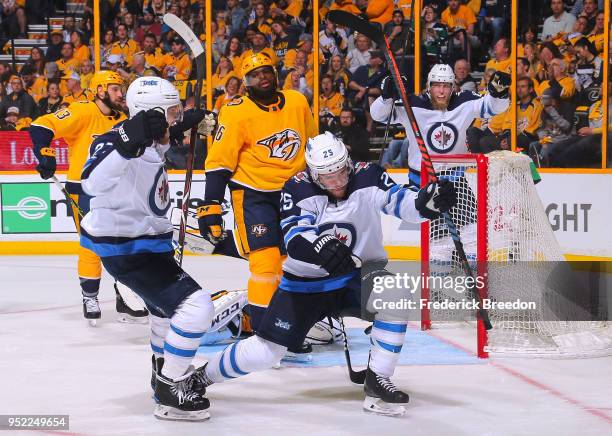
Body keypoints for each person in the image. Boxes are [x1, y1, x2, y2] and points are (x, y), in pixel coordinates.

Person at [193, 131, 457, 416]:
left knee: (394, 297)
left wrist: (427, 202)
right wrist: (320, 246)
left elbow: (401, 203)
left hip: (354, 276)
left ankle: (378, 378)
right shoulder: (296, 186)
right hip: (306, 285)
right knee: (267, 351)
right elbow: (295, 237)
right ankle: (201, 377)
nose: (338, 182)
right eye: (329, 177)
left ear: (349, 163)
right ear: (313, 174)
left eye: (342, 172)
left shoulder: (370, 175)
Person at [79, 77, 217, 421]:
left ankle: (162, 371)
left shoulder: (154, 140)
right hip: (127, 249)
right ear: (152, 115)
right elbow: (91, 183)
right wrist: (128, 142)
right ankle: (172, 386)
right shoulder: (115, 140)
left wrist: (189, 116)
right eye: (171, 112)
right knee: (195, 307)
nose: (175, 119)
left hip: (148, 244)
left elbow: (163, 135)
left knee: (162, 313)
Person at [198, 52, 317, 332]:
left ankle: (285, 323)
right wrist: (210, 205)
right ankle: (265, 330)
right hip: (253, 192)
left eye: (266, 72)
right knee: (265, 263)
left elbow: (312, 144)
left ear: (275, 75)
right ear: (246, 83)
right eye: (254, 75)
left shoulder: (298, 101)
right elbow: (219, 161)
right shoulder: (236, 109)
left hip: (294, 192)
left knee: (293, 263)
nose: (262, 77)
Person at [29, 71, 147, 325]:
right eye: (115, 89)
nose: (120, 94)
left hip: (119, 190)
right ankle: (90, 296)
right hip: (85, 191)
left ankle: (125, 298)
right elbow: (41, 124)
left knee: (126, 243)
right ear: (101, 90)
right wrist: (46, 153)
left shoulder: (124, 118)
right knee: (92, 243)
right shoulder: (82, 111)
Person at [370, 64, 511, 186]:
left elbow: (493, 108)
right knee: (416, 217)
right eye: (437, 85)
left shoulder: (465, 101)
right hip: (419, 178)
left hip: (455, 178)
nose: (442, 92)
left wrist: (498, 93)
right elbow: (379, 115)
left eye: (446, 86)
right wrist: (386, 97)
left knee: (469, 218)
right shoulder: (412, 104)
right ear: (429, 86)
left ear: (453, 87)